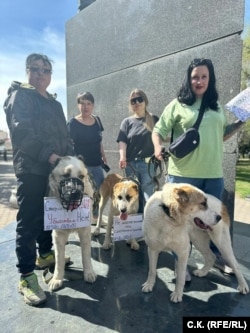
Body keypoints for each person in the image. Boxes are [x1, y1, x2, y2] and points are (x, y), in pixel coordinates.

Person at [152, 58, 245, 278]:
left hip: (212, 177)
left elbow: (222, 134)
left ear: (210, 79)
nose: (199, 81)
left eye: (204, 76)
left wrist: (242, 120)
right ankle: (180, 267)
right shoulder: (177, 104)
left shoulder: (216, 106)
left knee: (214, 223)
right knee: (179, 225)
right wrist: (157, 147)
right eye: (195, 77)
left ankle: (217, 258)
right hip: (183, 178)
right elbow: (158, 129)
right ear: (189, 78)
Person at [4, 53, 74, 306]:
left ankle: (45, 255)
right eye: (35, 69)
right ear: (27, 71)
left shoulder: (54, 104)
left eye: (45, 69)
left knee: (50, 215)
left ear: (51, 75)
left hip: (55, 169)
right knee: (28, 221)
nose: (41, 73)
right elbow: (23, 134)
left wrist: (70, 156)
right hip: (32, 168)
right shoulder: (20, 97)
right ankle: (25, 276)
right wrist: (51, 156)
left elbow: (65, 135)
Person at [117, 89, 159, 213]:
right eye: (133, 100)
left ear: (145, 101)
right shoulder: (127, 122)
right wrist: (122, 157)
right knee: (133, 198)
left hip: (148, 165)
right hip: (131, 165)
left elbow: (160, 137)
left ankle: (148, 227)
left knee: (148, 198)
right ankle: (136, 229)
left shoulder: (153, 119)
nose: (137, 102)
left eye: (140, 99)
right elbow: (122, 141)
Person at [67, 92, 107, 222]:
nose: (85, 107)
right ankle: (80, 219)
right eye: (82, 103)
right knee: (81, 194)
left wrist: (104, 156)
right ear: (78, 105)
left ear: (93, 105)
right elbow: (68, 145)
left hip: (97, 165)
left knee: (98, 193)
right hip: (81, 167)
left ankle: (94, 218)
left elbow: (99, 141)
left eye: (88, 103)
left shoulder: (97, 120)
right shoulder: (72, 123)